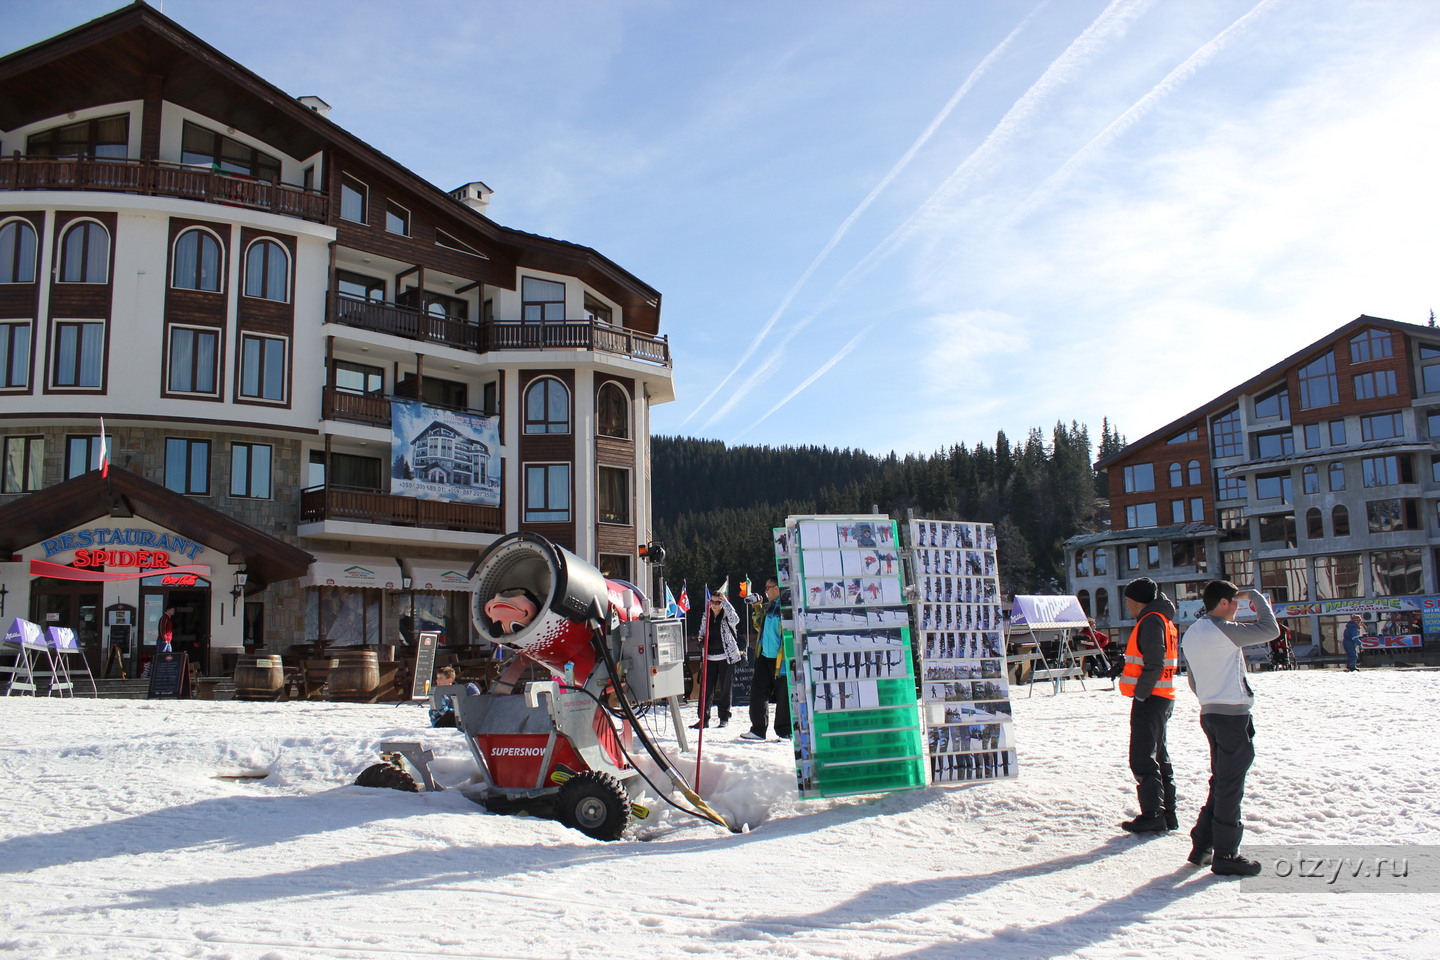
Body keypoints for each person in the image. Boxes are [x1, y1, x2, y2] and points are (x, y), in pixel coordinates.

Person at [1180, 579, 1278, 877]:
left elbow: (1193, 680)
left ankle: (1202, 846)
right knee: (1230, 785)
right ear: (1223, 603)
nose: (1238, 607)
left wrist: (1210, 700)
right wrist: (1257, 596)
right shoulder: (1222, 629)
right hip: (1232, 716)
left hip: (1209, 713)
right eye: (1235, 602)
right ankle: (1226, 854)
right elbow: (1270, 630)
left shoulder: (1193, 632)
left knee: (1221, 780)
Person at [1118, 577, 1178, 834]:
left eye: (1128, 601)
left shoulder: (1151, 620)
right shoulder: (1162, 619)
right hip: (1162, 696)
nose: (1127, 606)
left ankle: (1153, 814)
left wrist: (1141, 694)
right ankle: (1167, 814)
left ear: (1138, 600)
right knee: (1158, 755)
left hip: (1151, 698)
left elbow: (1155, 661)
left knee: (1143, 757)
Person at [742, 579, 792, 741]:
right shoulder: (769, 606)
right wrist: (756, 607)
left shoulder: (787, 607)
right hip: (764, 655)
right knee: (758, 693)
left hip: (781, 658)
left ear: (776, 588)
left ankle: (784, 731)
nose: (766, 591)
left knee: (783, 695)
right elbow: (759, 626)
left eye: (767, 588)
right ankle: (758, 729)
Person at [693, 591, 742, 729]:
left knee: (726, 688)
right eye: (712, 602)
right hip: (710, 656)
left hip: (726, 657)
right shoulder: (706, 615)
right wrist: (701, 640)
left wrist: (725, 602)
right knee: (706, 689)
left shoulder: (727, 616)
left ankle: (724, 717)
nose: (714, 605)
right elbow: (702, 632)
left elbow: (736, 620)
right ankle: (703, 718)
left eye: (717, 602)